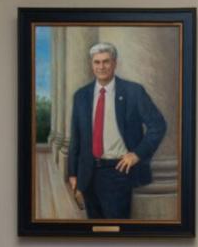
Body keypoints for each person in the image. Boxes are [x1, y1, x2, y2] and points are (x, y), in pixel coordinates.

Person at [67, 42, 166, 219]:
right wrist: (73, 173)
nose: (101, 67)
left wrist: (136, 154)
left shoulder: (133, 92)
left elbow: (158, 125)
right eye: (96, 62)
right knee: (95, 228)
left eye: (106, 61)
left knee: (117, 232)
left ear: (115, 63)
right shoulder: (81, 96)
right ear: (91, 64)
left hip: (118, 173)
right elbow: (77, 137)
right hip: (88, 173)